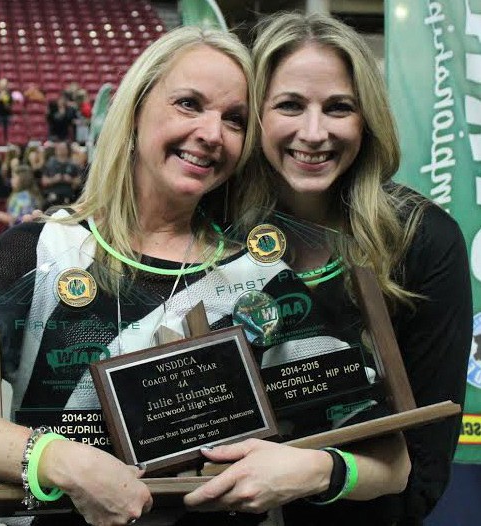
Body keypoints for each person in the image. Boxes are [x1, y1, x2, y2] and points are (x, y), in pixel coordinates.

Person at [0, 24, 261, 526]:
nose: (212, 134)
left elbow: (344, 431)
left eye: (235, 119)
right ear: (136, 108)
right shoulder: (40, 250)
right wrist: (56, 460)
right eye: (189, 103)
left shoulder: (258, 274)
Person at [184, 12, 472, 525]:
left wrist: (318, 473)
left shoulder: (422, 240)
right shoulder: (204, 224)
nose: (314, 133)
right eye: (290, 105)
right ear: (256, 116)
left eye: (339, 108)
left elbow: (424, 474)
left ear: (368, 119)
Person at [0, 78, 13, 143]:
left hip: (7, 115)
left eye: (5, 84)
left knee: (8, 131)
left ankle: (7, 142)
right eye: (2, 84)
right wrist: (1, 95)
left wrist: (7, 105)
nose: (4, 86)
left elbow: (11, 103)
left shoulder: (9, 93)